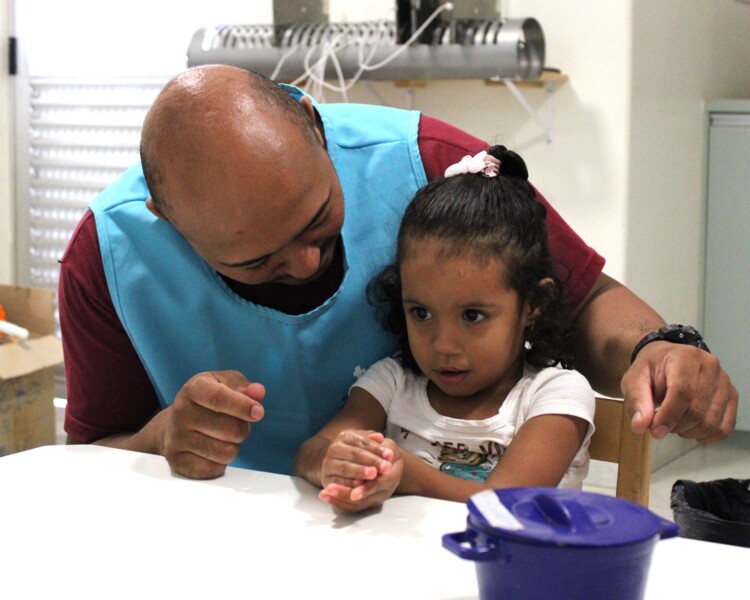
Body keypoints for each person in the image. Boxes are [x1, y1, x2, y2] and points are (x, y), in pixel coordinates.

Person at [58, 64, 737, 481]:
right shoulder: (107, 255)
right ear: (167, 222)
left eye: (318, 217)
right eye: (254, 261)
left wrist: (660, 347)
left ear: (311, 122)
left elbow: (584, 301)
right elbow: (94, 455)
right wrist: (162, 436)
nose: (303, 263)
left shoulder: (431, 162)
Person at [294, 147, 596, 511]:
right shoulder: (392, 382)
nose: (443, 344)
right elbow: (311, 452)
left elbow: (508, 504)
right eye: (421, 313)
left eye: (472, 316)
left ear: (533, 303)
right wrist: (334, 463)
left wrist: (411, 477)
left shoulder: (555, 393)